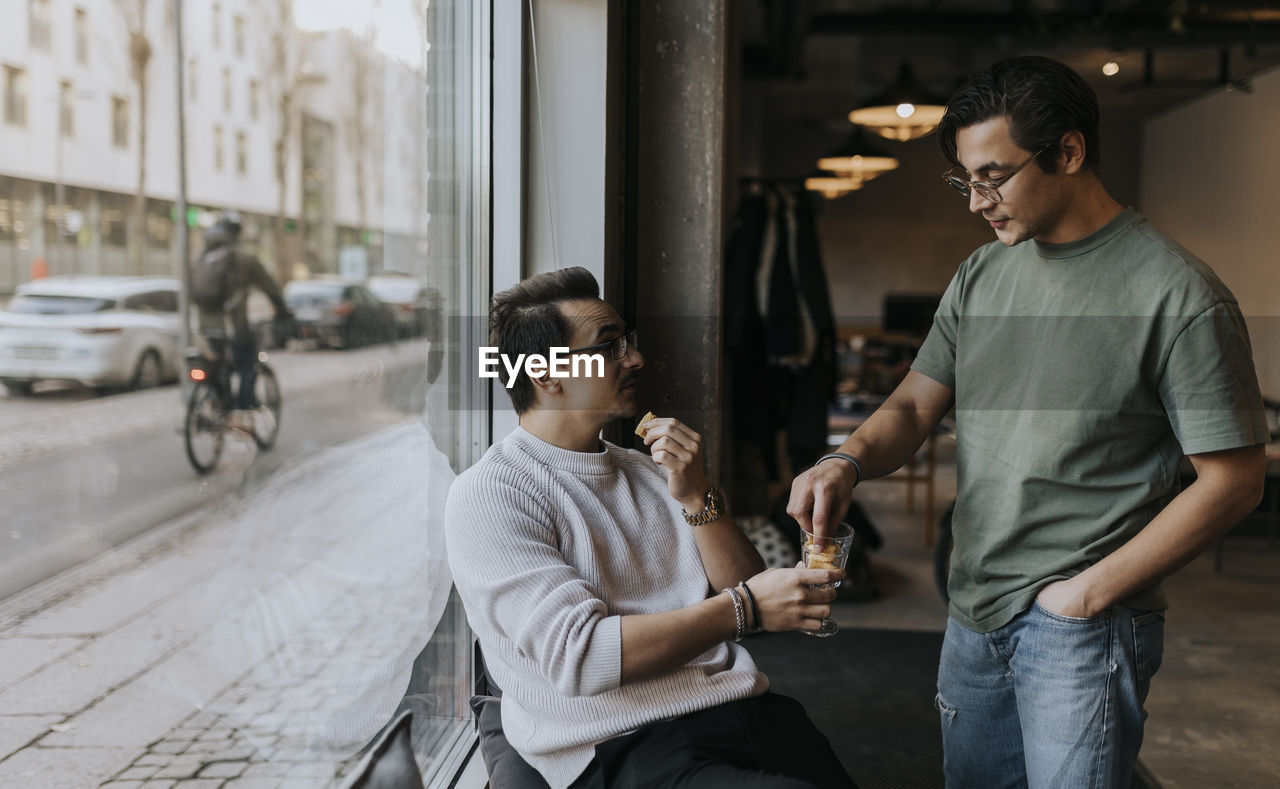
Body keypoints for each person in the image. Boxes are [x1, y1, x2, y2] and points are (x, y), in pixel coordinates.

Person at [786, 56, 1268, 788]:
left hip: (1083, 623)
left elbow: (1234, 481)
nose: (976, 200)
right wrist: (844, 459)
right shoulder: (982, 274)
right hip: (972, 601)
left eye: (993, 176)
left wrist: (1087, 594)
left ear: (1068, 152)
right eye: (965, 180)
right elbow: (915, 403)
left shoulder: (1179, 293)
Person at [446, 267, 857, 789]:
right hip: (623, 744)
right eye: (609, 346)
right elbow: (584, 657)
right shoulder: (490, 494)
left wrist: (697, 495)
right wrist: (744, 606)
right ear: (546, 374)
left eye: (628, 342)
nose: (636, 358)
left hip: (742, 706)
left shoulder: (648, 470)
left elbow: (747, 592)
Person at [193, 211, 290, 429]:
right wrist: (283, 310)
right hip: (234, 326)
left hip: (206, 327)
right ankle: (240, 412)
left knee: (216, 364)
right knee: (248, 364)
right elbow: (269, 286)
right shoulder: (243, 258)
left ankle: (213, 402)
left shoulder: (201, 256)